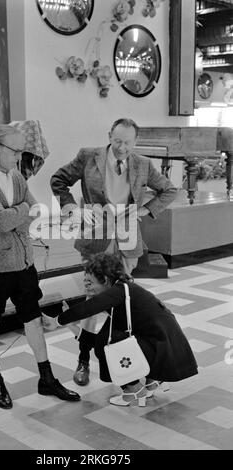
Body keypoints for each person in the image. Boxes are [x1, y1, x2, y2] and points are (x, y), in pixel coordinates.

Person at [50, 118, 178, 386]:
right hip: (96, 238)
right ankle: (83, 360)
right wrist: (73, 208)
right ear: (109, 135)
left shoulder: (143, 164)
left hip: (128, 241)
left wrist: (145, 210)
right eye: (118, 141)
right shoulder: (88, 156)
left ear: (135, 142)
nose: (122, 148)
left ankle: (127, 363)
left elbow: (169, 190)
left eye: (128, 143)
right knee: (93, 301)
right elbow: (58, 180)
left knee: (124, 302)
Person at [0, 124, 80, 409]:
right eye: (15, 151)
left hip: (24, 262)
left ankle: (46, 378)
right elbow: (1, 221)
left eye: (21, 151)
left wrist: (15, 213)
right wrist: (20, 213)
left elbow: (36, 210)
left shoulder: (16, 177)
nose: (19, 157)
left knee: (33, 319)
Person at [42, 253, 198, 407]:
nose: (86, 286)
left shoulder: (119, 291)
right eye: (85, 281)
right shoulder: (122, 294)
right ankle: (151, 382)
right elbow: (96, 341)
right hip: (163, 344)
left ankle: (134, 389)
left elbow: (90, 307)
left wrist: (57, 321)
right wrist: (70, 326)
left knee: (107, 345)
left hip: (164, 347)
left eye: (90, 282)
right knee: (105, 340)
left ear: (106, 280)